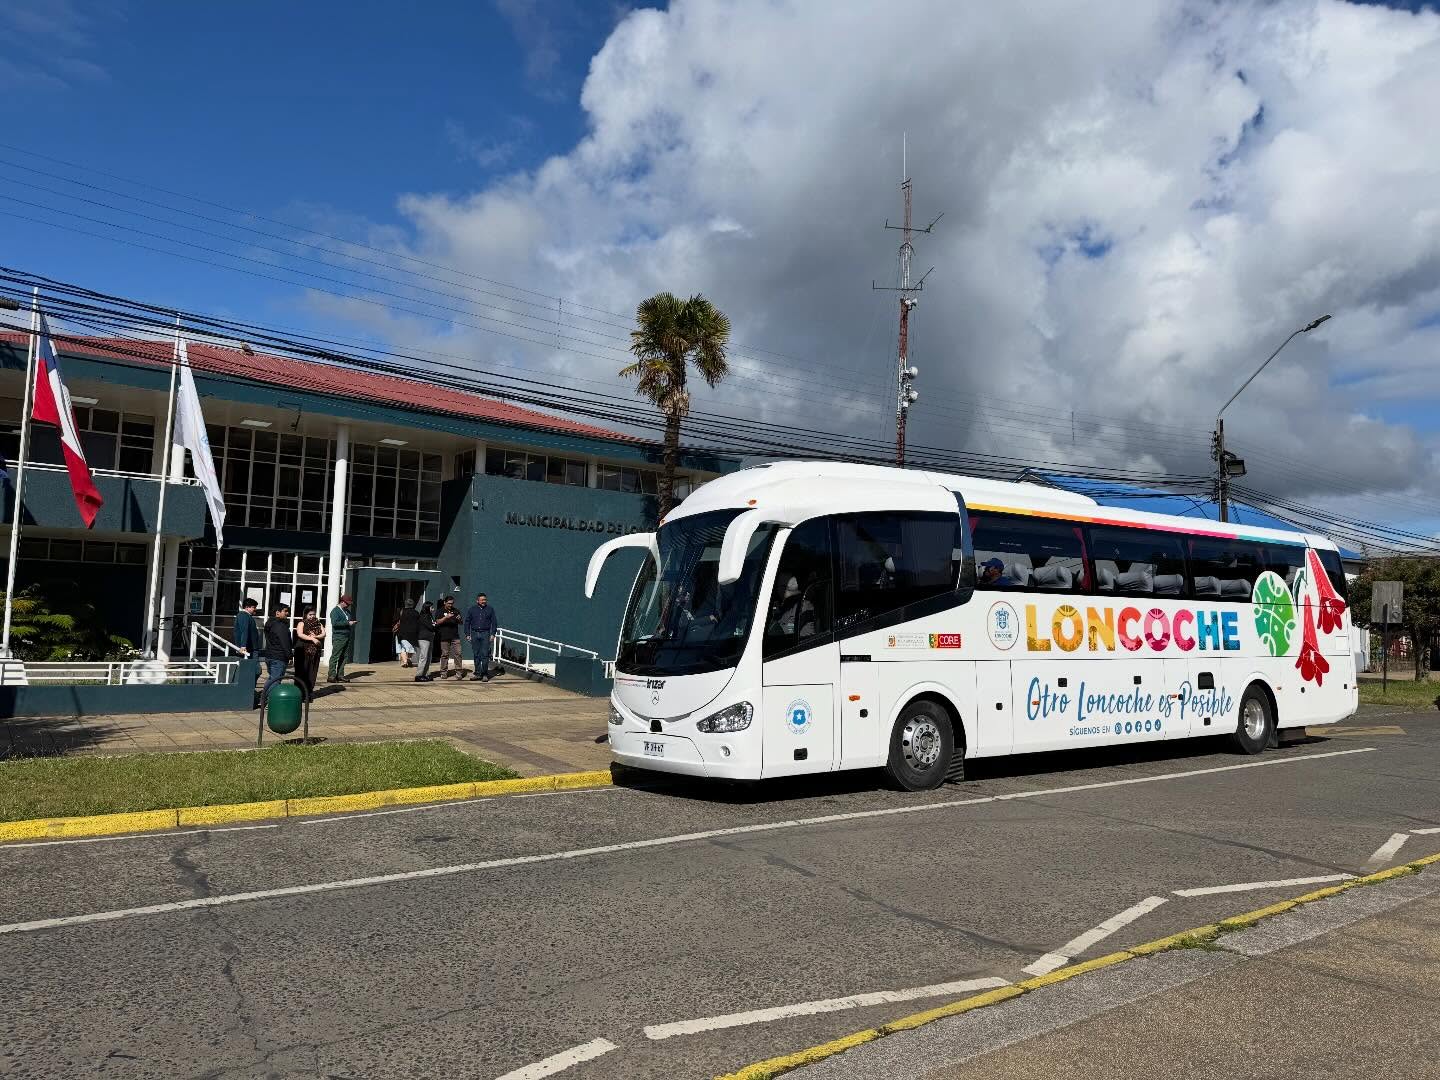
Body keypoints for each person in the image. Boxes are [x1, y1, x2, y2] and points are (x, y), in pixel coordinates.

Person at [260, 603, 293, 703]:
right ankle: (267, 700)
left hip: (270, 655)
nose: (287, 613)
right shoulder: (280, 626)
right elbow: (285, 642)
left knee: (272, 678)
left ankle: (264, 698)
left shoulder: (270, 623)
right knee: (275, 680)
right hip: (278, 656)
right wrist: (290, 656)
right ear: (277, 613)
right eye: (285, 611)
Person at [463, 592, 499, 682]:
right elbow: (467, 622)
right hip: (474, 633)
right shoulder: (472, 609)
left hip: (485, 633)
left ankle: (485, 674)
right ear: (477, 601)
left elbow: (494, 622)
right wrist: (467, 634)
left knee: (485, 655)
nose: (484, 601)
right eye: (482, 600)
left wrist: (493, 634)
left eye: (485, 600)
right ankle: (478, 673)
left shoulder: (490, 609)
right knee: (476, 654)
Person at [293, 606, 325, 700]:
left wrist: (317, 636)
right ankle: (299, 693)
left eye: (313, 614)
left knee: (312, 672)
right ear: (306, 614)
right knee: (301, 671)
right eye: (310, 614)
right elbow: (300, 634)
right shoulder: (301, 623)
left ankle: (308, 693)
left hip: (315, 652)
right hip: (302, 650)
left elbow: (324, 633)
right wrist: (312, 639)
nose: (312, 616)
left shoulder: (318, 623)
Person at [327, 594, 357, 683]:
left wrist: (351, 623)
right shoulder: (335, 611)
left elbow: (346, 621)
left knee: (344, 656)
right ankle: (331, 676)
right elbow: (335, 623)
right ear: (342, 601)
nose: (348, 605)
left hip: (346, 636)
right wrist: (348, 623)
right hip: (339, 637)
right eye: (347, 603)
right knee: (335, 656)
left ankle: (340, 675)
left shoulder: (347, 611)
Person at [433, 597, 462, 679]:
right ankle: (443, 672)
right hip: (444, 636)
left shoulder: (456, 611)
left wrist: (459, 619)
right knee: (445, 654)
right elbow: (437, 622)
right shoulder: (440, 611)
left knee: (458, 653)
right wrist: (446, 617)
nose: (450, 605)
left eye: (452, 603)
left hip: (455, 636)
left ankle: (459, 672)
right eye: (449, 603)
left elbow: (461, 622)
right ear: (444, 603)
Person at [413, 601, 436, 682]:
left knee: (428, 657)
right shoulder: (423, 616)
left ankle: (425, 674)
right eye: (431, 607)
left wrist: (434, 624)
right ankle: (419, 675)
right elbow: (431, 626)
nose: (433, 609)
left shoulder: (429, 616)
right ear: (427, 608)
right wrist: (434, 624)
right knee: (424, 657)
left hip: (429, 637)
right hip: (424, 638)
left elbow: (433, 625)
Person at [396, 599, 421, 670]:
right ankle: (407, 659)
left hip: (402, 632)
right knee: (411, 648)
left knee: (403, 648)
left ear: (405, 604)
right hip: (413, 633)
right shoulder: (416, 613)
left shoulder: (401, 611)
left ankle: (405, 661)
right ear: (413, 605)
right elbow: (418, 623)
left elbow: (397, 620)